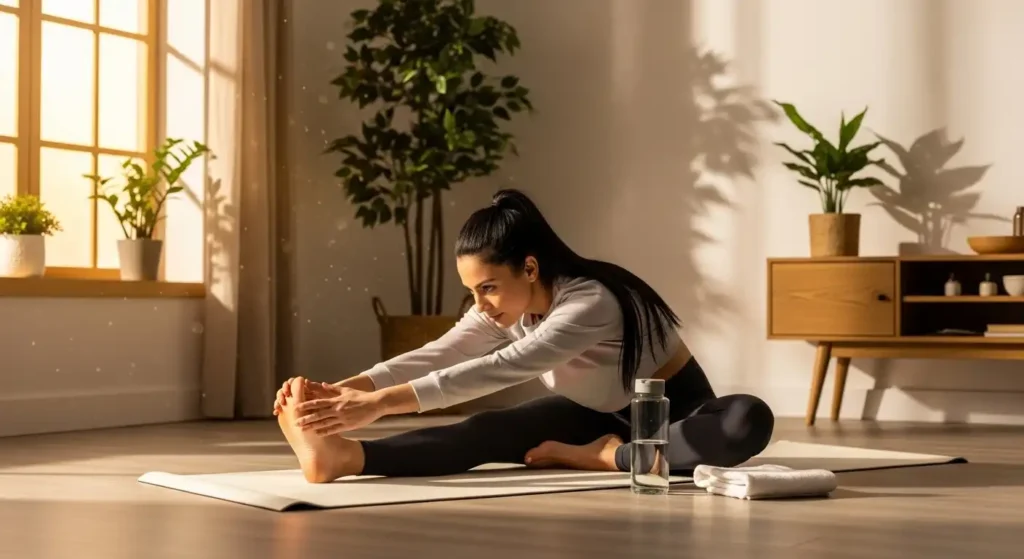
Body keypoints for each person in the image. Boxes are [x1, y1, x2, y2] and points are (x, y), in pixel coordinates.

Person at [272, 189, 774, 483]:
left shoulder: (590, 302)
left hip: (672, 414)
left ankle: (608, 457)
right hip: (590, 415)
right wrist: (344, 391)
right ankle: (344, 457)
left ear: (529, 267)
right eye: (472, 290)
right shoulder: (502, 307)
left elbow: (503, 367)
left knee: (744, 421)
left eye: (487, 287)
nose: (481, 303)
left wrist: (381, 404)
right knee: (487, 430)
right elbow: (443, 352)